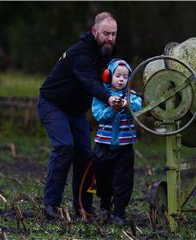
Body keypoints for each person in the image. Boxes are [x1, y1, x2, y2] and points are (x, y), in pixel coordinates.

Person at [37, 11, 118, 219]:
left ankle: (83, 207)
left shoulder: (106, 53)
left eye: (114, 34)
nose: (110, 38)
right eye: (106, 33)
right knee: (65, 146)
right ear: (94, 31)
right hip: (52, 104)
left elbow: (114, 79)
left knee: (85, 155)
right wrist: (108, 98)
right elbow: (90, 82)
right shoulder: (80, 53)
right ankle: (51, 205)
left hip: (75, 111)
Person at [91, 58, 142, 225]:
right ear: (109, 76)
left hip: (124, 148)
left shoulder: (131, 95)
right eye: (118, 75)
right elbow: (99, 116)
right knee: (102, 178)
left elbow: (139, 105)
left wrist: (127, 104)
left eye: (125, 77)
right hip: (103, 146)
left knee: (123, 181)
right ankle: (105, 208)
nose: (121, 79)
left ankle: (119, 213)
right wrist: (112, 109)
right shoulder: (101, 96)